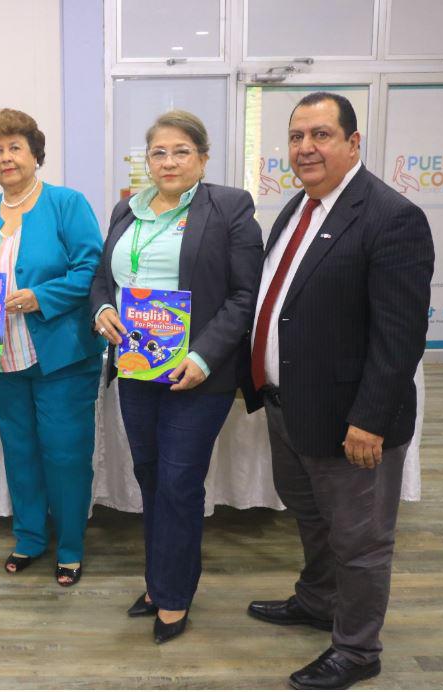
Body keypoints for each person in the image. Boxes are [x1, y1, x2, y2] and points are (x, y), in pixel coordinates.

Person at [244, 92, 434, 690]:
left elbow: (400, 337)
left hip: (351, 419)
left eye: (321, 135)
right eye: (297, 136)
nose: (305, 148)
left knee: (360, 540)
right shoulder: (298, 208)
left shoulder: (391, 216)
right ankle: (318, 599)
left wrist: (370, 420)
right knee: (313, 518)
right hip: (290, 405)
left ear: (353, 143)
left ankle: (356, 649)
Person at [90, 110, 264, 644]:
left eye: (181, 151)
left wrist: (206, 356)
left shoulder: (229, 207)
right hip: (138, 368)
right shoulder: (127, 209)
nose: (169, 161)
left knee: (179, 484)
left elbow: (244, 295)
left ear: (203, 158)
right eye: (159, 152)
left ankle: (174, 595)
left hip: (197, 375)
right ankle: (159, 580)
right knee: (149, 477)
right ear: (148, 161)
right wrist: (102, 313)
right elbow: (102, 282)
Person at [0, 108, 104, 587]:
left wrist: (40, 296)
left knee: (64, 453)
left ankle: (69, 546)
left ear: (35, 153)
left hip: (61, 356)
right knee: (18, 451)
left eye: (15, 147)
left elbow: (91, 270)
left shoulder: (66, 203)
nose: (6, 157)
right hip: (0, 358)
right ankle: (28, 537)